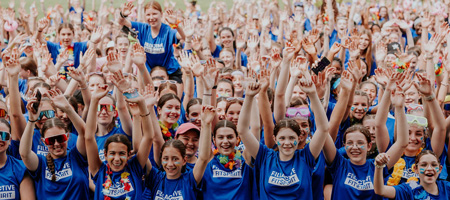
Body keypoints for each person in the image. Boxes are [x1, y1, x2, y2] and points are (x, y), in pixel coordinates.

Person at [85, 84, 154, 200]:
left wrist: (142, 104)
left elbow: (149, 137)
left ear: (128, 155)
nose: (117, 158)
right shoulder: (99, 171)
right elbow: (89, 138)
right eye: (112, 153)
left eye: (121, 153)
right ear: (105, 155)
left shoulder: (135, 168)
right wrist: (94, 100)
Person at [374, 150, 450, 199]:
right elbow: (380, 190)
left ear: (440, 169)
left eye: (434, 165)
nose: (429, 168)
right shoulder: (408, 189)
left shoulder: (447, 187)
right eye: (424, 165)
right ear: (415, 169)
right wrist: (379, 166)